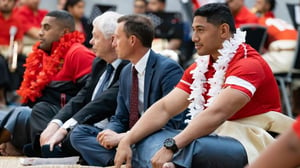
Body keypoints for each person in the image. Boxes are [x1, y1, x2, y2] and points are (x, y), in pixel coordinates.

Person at [114, 3, 294, 168]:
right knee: (152, 137)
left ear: (223, 30)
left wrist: (172, 147)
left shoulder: (248, 64)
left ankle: (163, 160)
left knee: (190, 145)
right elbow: (165, 107)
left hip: (253, 141)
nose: (193, 38)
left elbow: (217, 113)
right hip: (216, 137)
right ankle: (167, 160)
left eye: (200, 30)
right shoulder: (200, 67)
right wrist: (128, 139)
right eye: (193, 30)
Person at [69, 14, 186, 166]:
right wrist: (110, 133)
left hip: (158, 136)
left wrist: (125, 137)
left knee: (155, 142)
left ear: (132, 40)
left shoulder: (168, 69)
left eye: (117, 38)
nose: (114, 43)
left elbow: (172, 123)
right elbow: (121, 117)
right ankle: (125, 158)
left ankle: (126, 157)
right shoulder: (126, 72)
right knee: (79, 134)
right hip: (130, 138)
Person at [0, 10, 95, 156]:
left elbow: (90, 97)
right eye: (41, 27)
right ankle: (19, 145)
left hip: (65, 122)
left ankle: (39, 148)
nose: (40, 33)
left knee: (27, 112)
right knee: (12, 113)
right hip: (39, 119)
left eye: (47, 27)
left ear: (64, 32)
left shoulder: (78, 54)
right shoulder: (41, 55)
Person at [38, 11, 129, 158]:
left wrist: (64, 129)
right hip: (86, 124)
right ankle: (53, 145)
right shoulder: (99, 62)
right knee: (41, 112)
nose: (91, 41)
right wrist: (56, 124)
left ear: (112, 40)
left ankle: (53, 146)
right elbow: (81, 97)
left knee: (75, 134)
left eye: (96, 37)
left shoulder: (127, 66)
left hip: (107, 128)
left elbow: (103, 103)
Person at [0, 0, 25, 109]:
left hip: (10, 50)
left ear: (14, 3)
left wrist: (15, 51)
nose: (5, 3)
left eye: (9, 1)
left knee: (26, 62)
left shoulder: (17, 20)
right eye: (3, 0)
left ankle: (19, 96)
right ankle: (2, 98)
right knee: (0, 63)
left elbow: (19, 42)